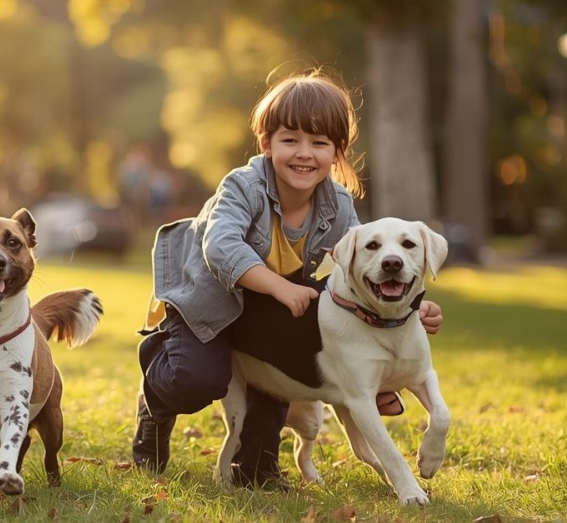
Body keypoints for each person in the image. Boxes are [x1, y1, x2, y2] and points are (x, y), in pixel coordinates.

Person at [131, 69, 444, 488]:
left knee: (291, 353)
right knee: (197, 380)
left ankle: (255, 467)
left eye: (319, 143)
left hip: (266, 307)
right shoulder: (242, 186)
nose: (304, 153)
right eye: (290, 140)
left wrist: (405, 307)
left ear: (337, 152)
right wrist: (280, 286)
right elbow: (221, 248)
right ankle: (156, 397)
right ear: (267, 144)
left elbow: (358, 270)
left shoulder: (337, 203)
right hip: (205, 301)